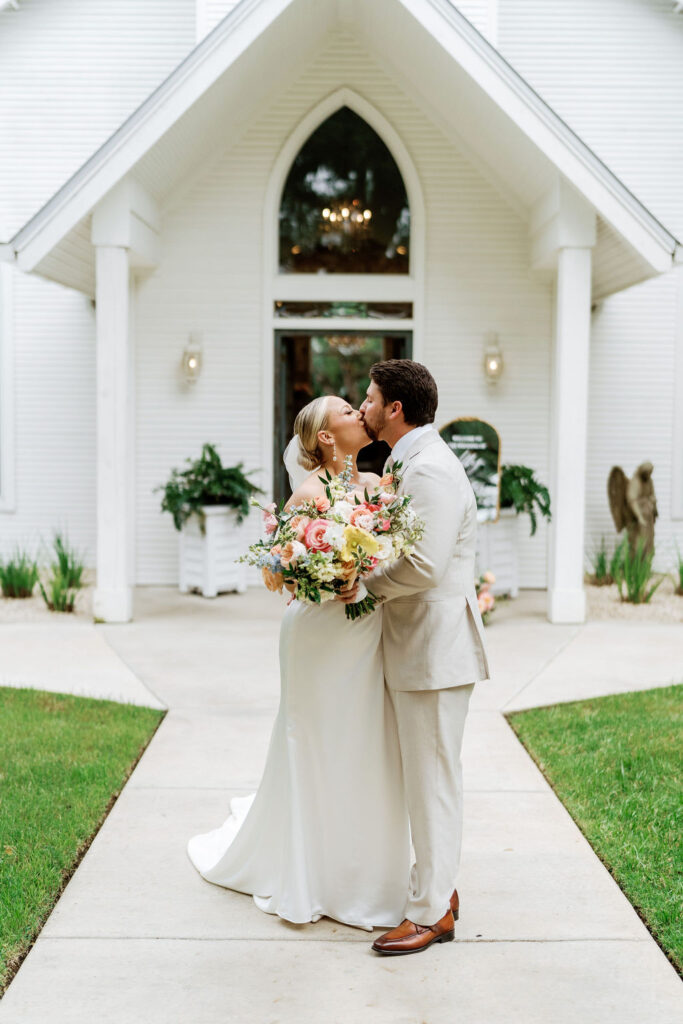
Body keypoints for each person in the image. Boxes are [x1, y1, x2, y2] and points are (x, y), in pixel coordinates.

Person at [186, 395, 411, 931]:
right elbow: (276, 570)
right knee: (312, 739)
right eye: (346, 410)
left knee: (361, 741)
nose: (360, 411)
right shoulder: (308, 494)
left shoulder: (379, 489)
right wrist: (321, 574)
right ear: (326, 437)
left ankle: (360, 870)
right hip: (316, 635)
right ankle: (307, 873)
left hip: (366, 632)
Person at [350, 358, 492, 956]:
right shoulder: (412, 461)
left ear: (395, 409)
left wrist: (360, 582)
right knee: (425, 777)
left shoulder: (429, 470)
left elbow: (425, 566)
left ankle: (431, 912)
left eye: (371, 396)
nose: (364, 404)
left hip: (435, 649)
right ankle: (438, 891)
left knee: (433, 781)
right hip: (419, 645)